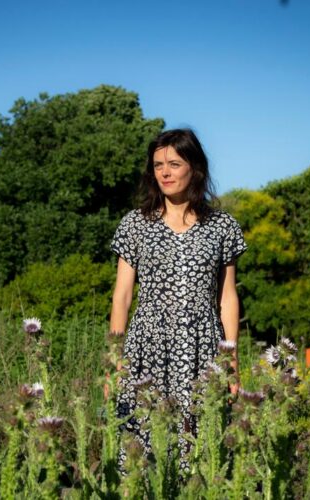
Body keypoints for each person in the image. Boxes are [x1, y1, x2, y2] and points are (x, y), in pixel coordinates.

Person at [108, 128, 248, 466]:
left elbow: (227, 298)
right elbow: (122, 296)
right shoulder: (135, 225)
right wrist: (114, 362)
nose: (165, 173)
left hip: (203, 347)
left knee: (200, 445)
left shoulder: (223, 227)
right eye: (158, 165)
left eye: (174, 163)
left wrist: (232, 361)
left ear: (195, 167)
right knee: (144, 446)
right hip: (147, 347)